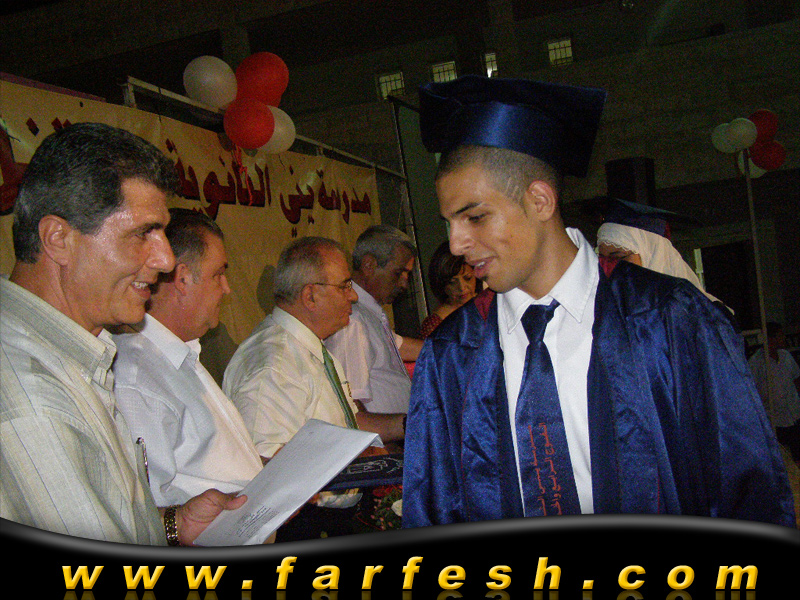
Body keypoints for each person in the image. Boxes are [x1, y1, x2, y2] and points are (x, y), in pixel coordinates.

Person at [402, 75, 795, 528]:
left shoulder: (670, 319)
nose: (456, 244)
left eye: (474, 217)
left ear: (540, 200)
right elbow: (434, 510)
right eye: (449, 223)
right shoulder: (452, 353)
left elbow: (747, 489)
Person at [1, 122, 245, 545]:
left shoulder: (73, 356)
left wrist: (174, 524)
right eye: (142, 233)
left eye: (162, 233)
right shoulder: (31, 399)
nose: (166, 260)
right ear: (58, 239)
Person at [222, 236, 406, 540]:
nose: (354, 296)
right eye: (344, 286)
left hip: (333, 519)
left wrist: (408, 424)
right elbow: (266, 472)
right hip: (302, 528)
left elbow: (346, 422)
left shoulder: (307, 347)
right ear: (310, 296)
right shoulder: (273, 364)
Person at [112, 208, 266, 508]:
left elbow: (211, 468)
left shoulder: (179, 356)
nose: (226, 289)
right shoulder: (136, 377)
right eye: (218, 274)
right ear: (182, 279)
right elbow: (147, 509)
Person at [325, 224, 423, 414]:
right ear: (369, 265)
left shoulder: (368, 313)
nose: (404, 283)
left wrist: (449, 350)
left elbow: (398, 345)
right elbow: (351, 402)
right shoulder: (352, 319)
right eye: (398, 273)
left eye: (407, 274)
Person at [595, 198, 736, 325]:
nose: (608, 267)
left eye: (619, 257)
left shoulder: (707, 316)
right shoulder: (607, 310)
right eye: (601, 258)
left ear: (653, 254)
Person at [749, 322, 800, 464]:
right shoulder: (756, 363)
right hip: (774, 419)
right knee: (781, 459)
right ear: (770, 338)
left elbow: (796, 378)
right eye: (780, 335)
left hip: (794, 413)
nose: (783, 338)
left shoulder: (786, 356)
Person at [419, 239, 479, 339]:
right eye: (452, 282)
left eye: (468, 278)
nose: (462, 288)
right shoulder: (435, 325)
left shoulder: (488, 302)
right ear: (442, 285)